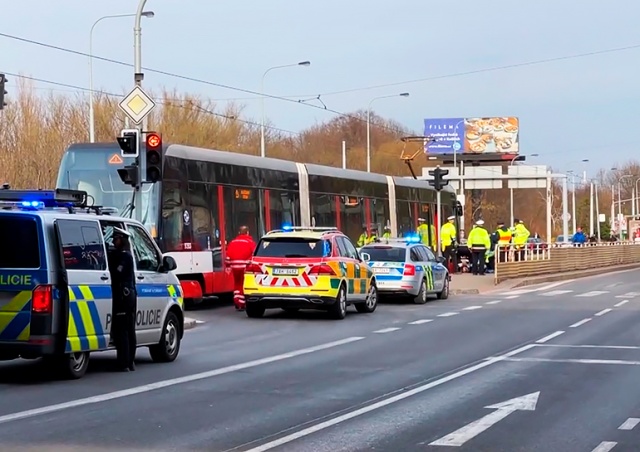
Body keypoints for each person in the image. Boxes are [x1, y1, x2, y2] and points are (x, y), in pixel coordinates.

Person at [108, 227, 137, 372]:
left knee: (124, 330)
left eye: (116, 239)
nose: (114, 241)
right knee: (128, 329)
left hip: (124, 296)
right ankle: (129, 361)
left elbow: (117, 273)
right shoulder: (124, 255)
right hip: (127, 294)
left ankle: (125, 362)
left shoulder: (125, 256)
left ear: (122, 240)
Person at [226, 226, 256, 311]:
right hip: (245, 267)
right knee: (243, 285)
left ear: (239, 233)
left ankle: (237, 301)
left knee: (237, 284)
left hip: (234, 267)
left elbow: (228, 257)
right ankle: (241, 303)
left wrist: (228, 266)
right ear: (247, 232)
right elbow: (254, 255)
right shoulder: (250, 242)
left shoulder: (232, 242)